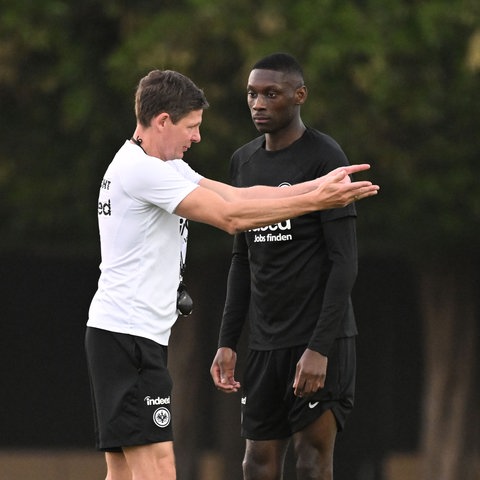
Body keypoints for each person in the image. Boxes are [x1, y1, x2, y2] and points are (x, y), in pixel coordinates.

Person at [85, 69, 378, 480]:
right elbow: (230, 217)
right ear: (163, 120)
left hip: (120, 336)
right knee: (158, 466)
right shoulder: (143, 171)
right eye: (191, 127)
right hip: (128, 340)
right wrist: (316, 201)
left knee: (124, 469)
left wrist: (315, 185)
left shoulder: (159, 164)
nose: (197, 138)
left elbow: (237, 194)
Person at [210, 53, 363, 480]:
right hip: (264, 343)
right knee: (256, 463)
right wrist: (228, 341)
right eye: (252, 94)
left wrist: (319, 349)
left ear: (299, 96)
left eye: (270, 94)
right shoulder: (243, 162)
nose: (258, 103)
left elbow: (344, 262)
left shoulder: (325, 156)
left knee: (312, 460)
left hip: (317, 342)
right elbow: (242, 259)